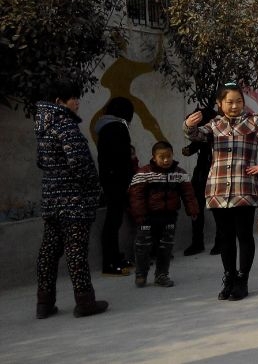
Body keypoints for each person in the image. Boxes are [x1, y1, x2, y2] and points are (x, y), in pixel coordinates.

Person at [184, 83, 258, 301]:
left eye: (238, 101)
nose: (234, 106)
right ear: (220, 104)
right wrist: (188, 126)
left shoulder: (253, 123)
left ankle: (242, 279)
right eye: (229, 102)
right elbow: (196, 136)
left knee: (244, 235)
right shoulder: (214, 125)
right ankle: (228, 277)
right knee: (225, 237)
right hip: (218, 188)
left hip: (244, 188)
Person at [34, 80, 109, 318]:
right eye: (73, 98)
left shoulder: (43, 127)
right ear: (59, 102)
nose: (77, 103)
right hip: (73, 200)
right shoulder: (65, 125)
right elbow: (79, 163)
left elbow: (41, 162)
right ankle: (85, 301)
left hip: (52, 199)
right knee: (76, 253)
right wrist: (93, 188)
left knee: (48, 252)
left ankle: (44, 303)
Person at [128, 141, 199, 288]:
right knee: (143, 246)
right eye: (162, 157)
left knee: (165, 247)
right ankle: (141, 274)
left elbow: (188, 194)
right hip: (146, 218)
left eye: (169, 156)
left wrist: (193, 210)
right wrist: (139, 216)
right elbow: (136, 196)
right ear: (154, 158)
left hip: (169, 216)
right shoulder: (143, 174)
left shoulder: (180, 174)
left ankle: (162, 275)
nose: (166, 160)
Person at [95, 96, 137, 276]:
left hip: (110, 178)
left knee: (115, 219)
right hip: (116, 180)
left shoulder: (105, 126)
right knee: (113, 221)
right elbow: (120, 156)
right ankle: (110, 262)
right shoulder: (117, 127)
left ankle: (115, 257)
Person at [182, 106, 217, 256]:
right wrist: (190, 149)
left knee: (218, 209)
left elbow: (201, 139)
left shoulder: (217, 129)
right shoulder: (203, 134)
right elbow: (197, 140)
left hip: (216, 173)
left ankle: (220, 241)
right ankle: (197, 241)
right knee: (196, 207)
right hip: (202, 172)